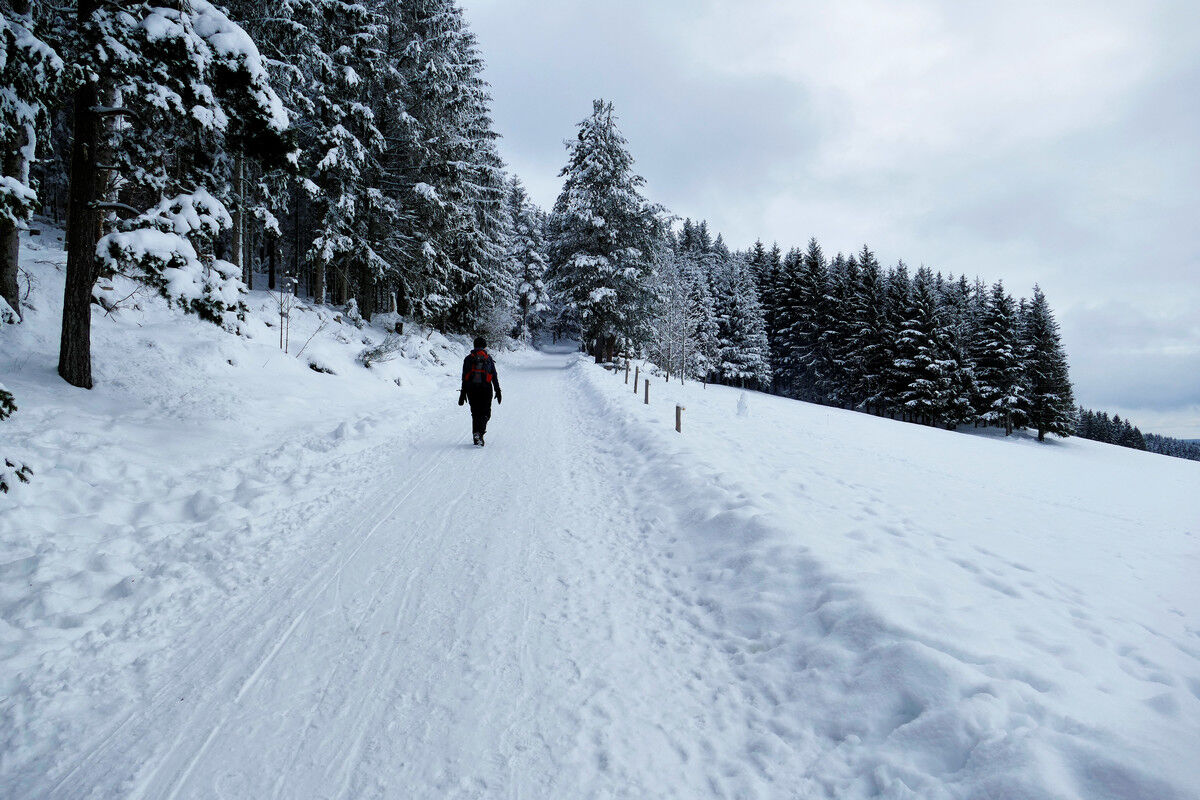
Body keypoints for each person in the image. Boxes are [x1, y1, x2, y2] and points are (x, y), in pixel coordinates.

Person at [459, 336, 501, 446]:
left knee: (475, 413)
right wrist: (498, 390)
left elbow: (464, 377)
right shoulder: (488, 358)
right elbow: (494, 375)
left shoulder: (468, 359)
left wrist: (463, 392)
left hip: (471, 389)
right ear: (485, 346)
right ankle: (480, 433)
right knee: (486, 413)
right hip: (486, 388)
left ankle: (476, 435)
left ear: (474, 345)